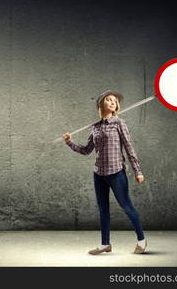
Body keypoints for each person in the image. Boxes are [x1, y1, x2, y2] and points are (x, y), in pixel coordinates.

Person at [62, 90, 147, 255]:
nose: (112, 102)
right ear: (101, 104)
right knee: (103, 210)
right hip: (99, 174)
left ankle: (142, 241)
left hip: (116, 173)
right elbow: (86, 150)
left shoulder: (119, 123)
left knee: (127, 207)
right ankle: (105, 244)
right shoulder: (95, 127)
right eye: (108, 99)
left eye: (114, 100)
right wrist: (69, 142)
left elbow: (129, 147)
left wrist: (138, 170)